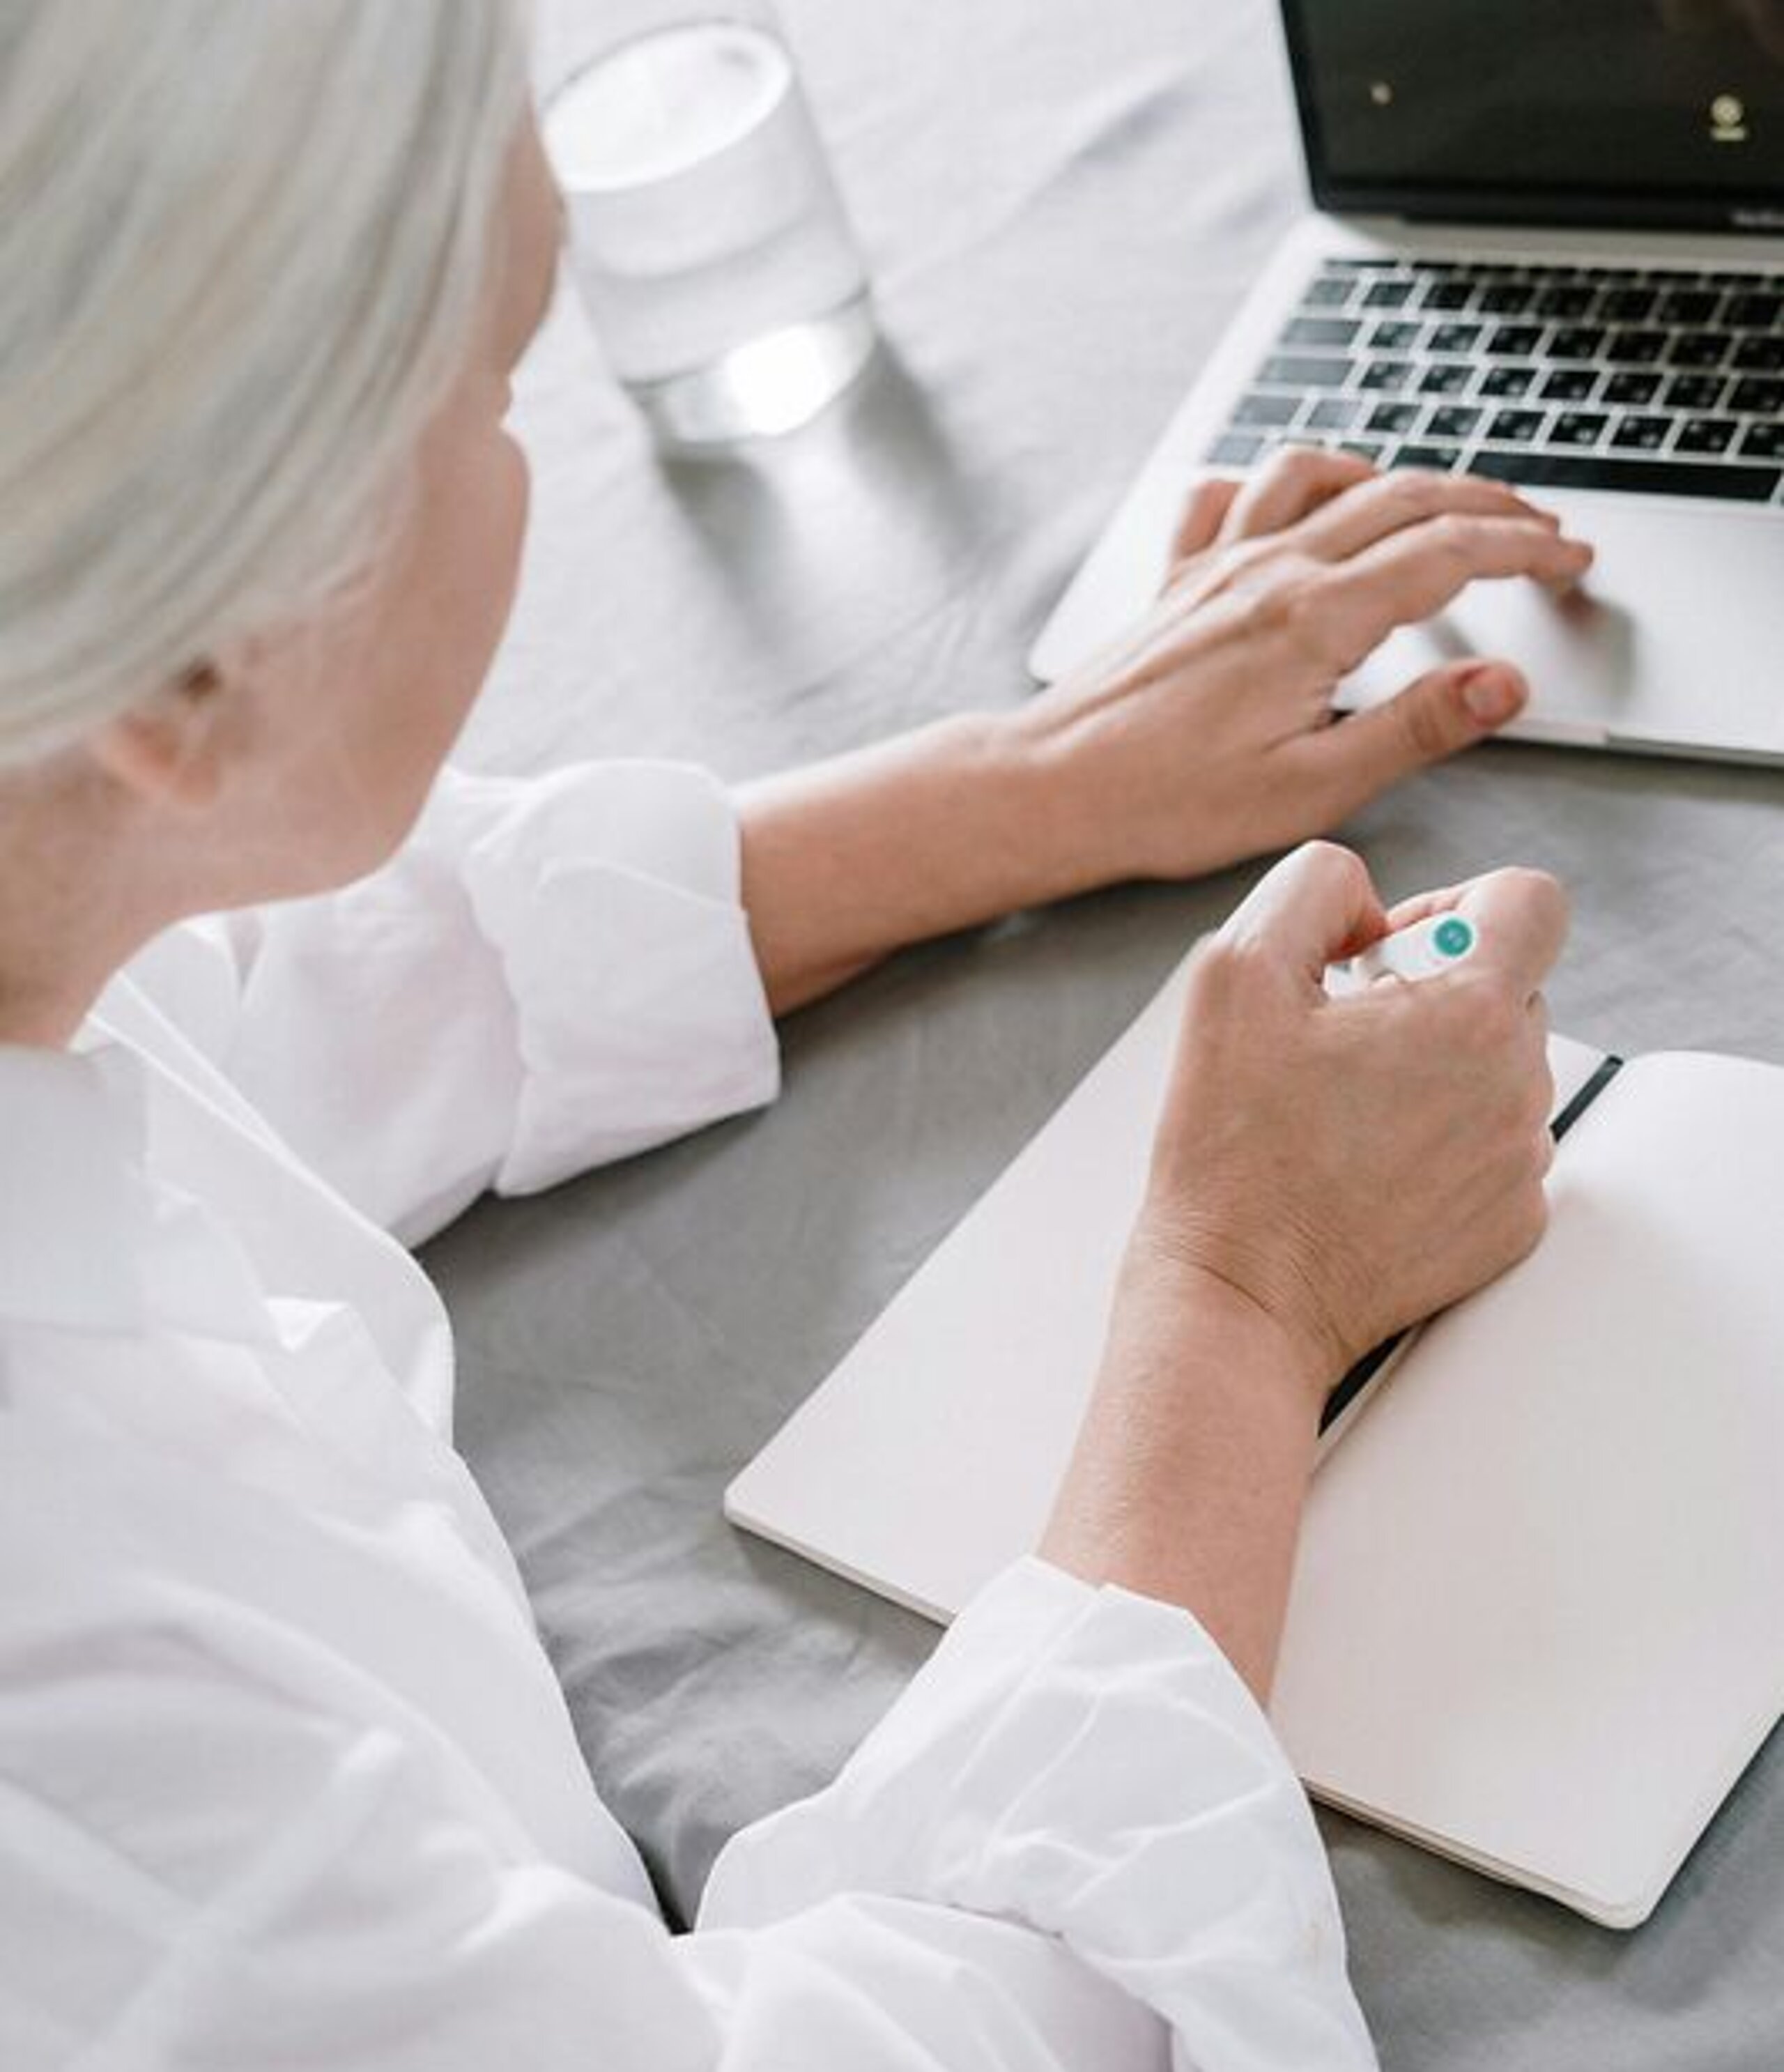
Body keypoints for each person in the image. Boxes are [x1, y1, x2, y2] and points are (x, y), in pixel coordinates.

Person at [0, 6, 1579, 2067]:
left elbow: (248, 981)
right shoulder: (84, 1725)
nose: (526, 460)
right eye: (493, 394)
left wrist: (1042, 779)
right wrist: (1247, 1293)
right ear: (180, 650)